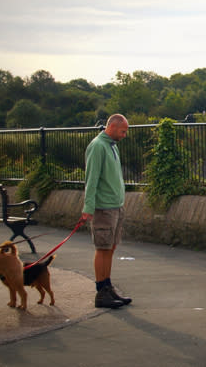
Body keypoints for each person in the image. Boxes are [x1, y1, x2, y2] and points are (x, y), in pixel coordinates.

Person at [81, 113, 132, 308]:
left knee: (110, 247)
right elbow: (91, 178)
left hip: (115, 206)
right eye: (123, 131)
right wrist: (88, 206)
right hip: (103, 207)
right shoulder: (98, 146)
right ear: (112, 127)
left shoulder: (111, 146)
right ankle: (101, 291)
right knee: (103, 248)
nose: (124, 135)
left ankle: (107, 286)